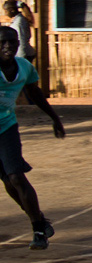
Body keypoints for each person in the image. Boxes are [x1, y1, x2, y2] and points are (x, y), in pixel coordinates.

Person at [0, 25, 63, 249]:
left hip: (6, 127)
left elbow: (35, 94)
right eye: (3, 42)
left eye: (12, 42)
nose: (8, 46)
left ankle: (38, 229)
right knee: (8, 182)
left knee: (16, 177)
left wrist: (54, 118)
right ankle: (40, 219)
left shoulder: (25, 67)